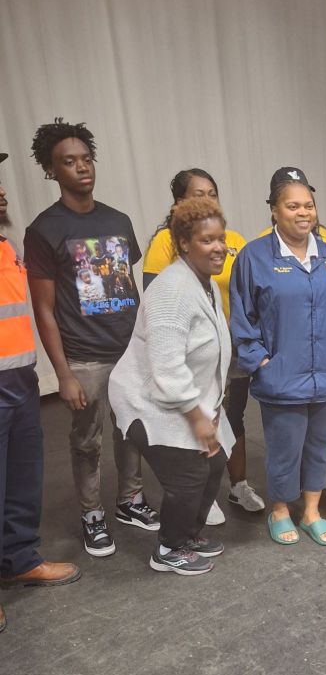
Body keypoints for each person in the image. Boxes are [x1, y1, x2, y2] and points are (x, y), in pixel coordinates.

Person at [24, 120, 158, 558]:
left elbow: (127, 286)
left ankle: (129, 500)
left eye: (86, 159)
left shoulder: (117, 220)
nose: (81, 167)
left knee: (131, 429)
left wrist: (144, 344)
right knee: (87, 441)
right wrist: (63, 374)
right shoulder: (44, 230)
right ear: (51, 170)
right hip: (84, 357)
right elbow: (44, 308)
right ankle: (92, 513)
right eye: (69, 161)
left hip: (128, 350)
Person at [109, 197, 234, 575]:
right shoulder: (171, 289)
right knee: (189, 475)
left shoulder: (203, 284)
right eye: (207, 240)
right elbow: (167, 367)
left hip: (186, 398)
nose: (219, 247)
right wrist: (197, 417)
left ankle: (188, 535)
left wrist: (210, 408)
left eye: (221, 238)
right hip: (149, 401)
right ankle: (168, 548)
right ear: (184, 243)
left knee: (215, 462)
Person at [230, 170, 326, 546]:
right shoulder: (254, 257)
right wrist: (260, 361)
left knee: (320, 446)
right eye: (292, 205)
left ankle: (312, 511)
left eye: (308, 205)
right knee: (284, 448)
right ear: (274, 210)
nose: (303, 213)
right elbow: (242, 315)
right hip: (282, 376)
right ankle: (280, 510)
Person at [143, 168, 263, 526]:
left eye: (212, 193)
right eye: (199, 194)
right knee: (194, 427)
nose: (208, 200)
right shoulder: (166, 247)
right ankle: (197, 501)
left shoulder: (232, 243)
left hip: (225, 353)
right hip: (189, 359)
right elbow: (157, 306)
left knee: (229, 420)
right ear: (180, 203)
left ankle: (235, 486)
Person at [0, 153, 80, 631]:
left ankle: (19, 559)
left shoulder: (5, 243)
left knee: (22, 479)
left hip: (19, 379)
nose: (1, 191)